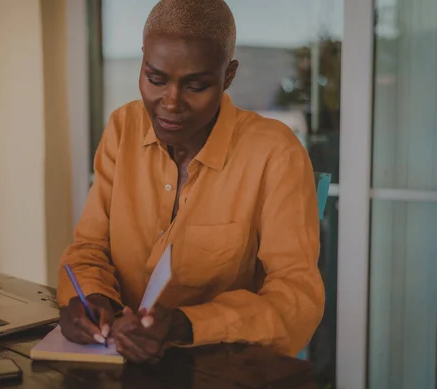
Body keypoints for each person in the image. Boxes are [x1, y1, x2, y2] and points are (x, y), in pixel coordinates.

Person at [57, 0, 324, 364]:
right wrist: (91, 300)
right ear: (143, 61)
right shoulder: (123, 128)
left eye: (196, 85)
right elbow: (89, 248)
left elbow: (298, 298)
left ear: (228, 76)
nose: (170, 102)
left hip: (220, 368)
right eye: (155, 79)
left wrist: (187, 325)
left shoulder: (275, 153)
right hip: (115, 359)